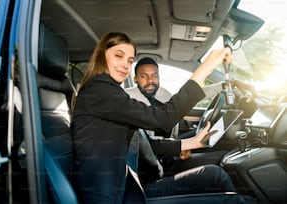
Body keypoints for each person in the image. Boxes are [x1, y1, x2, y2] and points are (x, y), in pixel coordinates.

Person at [72, 32, 254, 203]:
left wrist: (192, 143)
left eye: (129, 60)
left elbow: (144, 143)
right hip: (117, 196)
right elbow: (163, 119)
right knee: (233, 200)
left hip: (132, 185)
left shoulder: (108, 93)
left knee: (214, 175)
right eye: (118, 56)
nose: (125, 65)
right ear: (102, 55)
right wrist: (205, 67)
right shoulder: (100, 91)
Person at [125, 57, 253, 176]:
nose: (150, 81)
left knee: (212, 136)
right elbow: (147, 145)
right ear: (135, 79)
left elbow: (189, 98)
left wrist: (225, 85)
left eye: (154, 76)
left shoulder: (162, 93)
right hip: (156, 159)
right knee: (224, 158)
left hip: (169, 145)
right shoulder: (128, 100)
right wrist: (179, 147)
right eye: (144, 76)